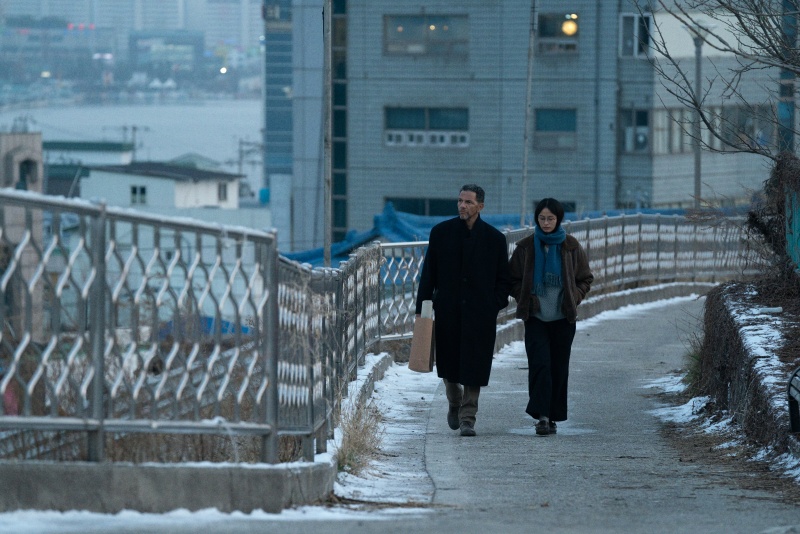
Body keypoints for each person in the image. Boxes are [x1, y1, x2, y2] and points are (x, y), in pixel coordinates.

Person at [415, 184, 511, 437]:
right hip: (448, 309)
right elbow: (429, 274)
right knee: (448, 364)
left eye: (468, 202)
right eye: (460, 200)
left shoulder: (494, 239)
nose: (462, 206)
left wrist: (493, 303)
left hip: (480, 312)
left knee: (474, 365)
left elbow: (504, 278)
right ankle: (454, 400)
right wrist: (422, 307)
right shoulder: (441, 233)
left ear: (480, 206)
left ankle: (468, 417)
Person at [509, 198, 593, 436]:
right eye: (542, 218)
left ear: (559, 219)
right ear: (536, 219)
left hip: (563, 318)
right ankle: (542, 417)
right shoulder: (526, 247)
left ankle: (553, 416)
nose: (546, 223)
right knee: (540, 365)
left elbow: (585, 278)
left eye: (551, 218)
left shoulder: (570, 246)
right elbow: (511, 279)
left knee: (558, 367)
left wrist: (574, 296)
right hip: (536, 317)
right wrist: (526, 298)